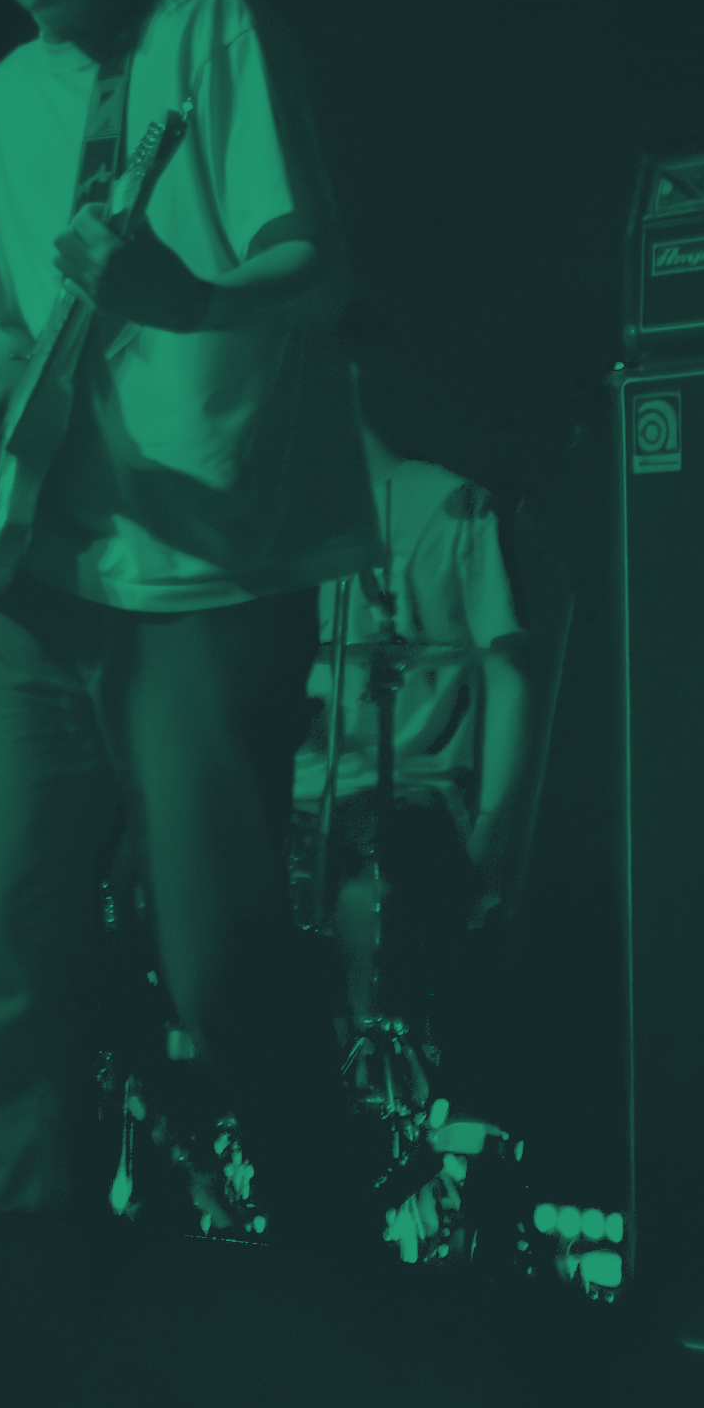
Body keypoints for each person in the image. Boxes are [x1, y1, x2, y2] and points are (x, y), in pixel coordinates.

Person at [0, 0, 382, 1218]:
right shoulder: (3, 96)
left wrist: (178, 297)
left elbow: (315, 269)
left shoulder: (212, 30)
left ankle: (333, 1272)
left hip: (207, 582)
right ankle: (16, 1319)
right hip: (52, 579)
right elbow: (7, 322)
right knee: (7, 965)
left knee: (219, 966)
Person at [299, 369, 546, 1038]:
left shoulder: (455, 504)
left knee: (371, 877)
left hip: (411, 795)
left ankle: (380, 1066)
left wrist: (494, 828)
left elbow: (510, 674)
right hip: (298, 794)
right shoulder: (278, 511)